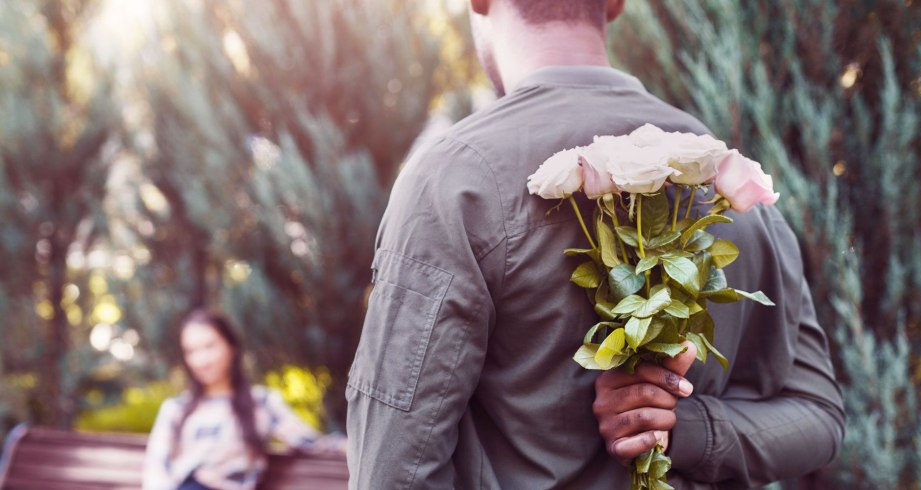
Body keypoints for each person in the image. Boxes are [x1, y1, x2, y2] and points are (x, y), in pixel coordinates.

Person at [345, 0, 845, 488]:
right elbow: (819, 415)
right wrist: (691, 428)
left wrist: (665, 424)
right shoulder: (730, 181)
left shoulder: (456, 179)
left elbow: (393, 472)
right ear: (615, 4)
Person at [143, 309, 344, 490]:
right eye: (191, 351)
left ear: (231, 347)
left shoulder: (261, 403)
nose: (200, 360)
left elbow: (307, 440)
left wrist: (342, 445)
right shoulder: (176, 408)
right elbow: (156, 467)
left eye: (209, 346)